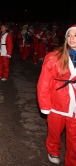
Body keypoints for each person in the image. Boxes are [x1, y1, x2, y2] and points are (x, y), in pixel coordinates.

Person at [37, 24, 76, 165]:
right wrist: (45, 105)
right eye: (69, 36)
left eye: (75, 35)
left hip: (75, 104)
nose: (72, 39)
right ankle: (53, 150)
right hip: (57, 102)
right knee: (54, 131)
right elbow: (44, 83)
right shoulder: (54, 56)